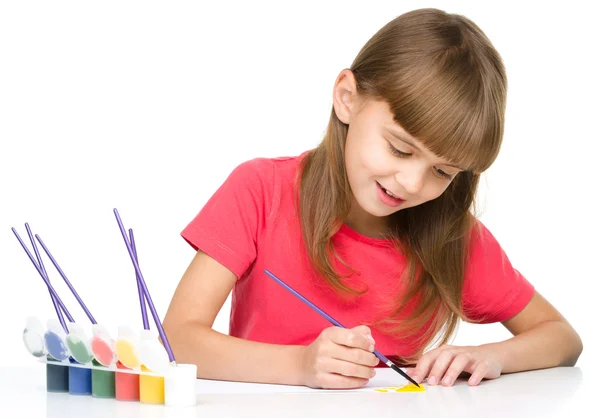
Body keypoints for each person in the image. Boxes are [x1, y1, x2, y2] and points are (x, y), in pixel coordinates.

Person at [162, 8, 582, 389]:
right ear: (347, 98)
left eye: (442, 171)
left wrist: (490, 356)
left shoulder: (451, 236)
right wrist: (301, 366)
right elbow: (179, 339)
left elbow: (562, 339)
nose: (413, 184)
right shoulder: (261, 190)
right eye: (400, 149)